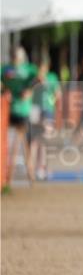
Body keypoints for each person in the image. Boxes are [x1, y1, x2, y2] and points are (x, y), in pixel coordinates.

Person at [2, 47, 37, 186]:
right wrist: (4, 91)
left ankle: (30, 175)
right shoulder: (5, 69)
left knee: (23, 145)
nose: (16, 60)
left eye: (18, 57)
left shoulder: (29, 69)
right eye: (14, 57)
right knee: (12, 145)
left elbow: (39, 78)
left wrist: (29, 90)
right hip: (8, 111)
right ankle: (9, 178)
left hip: (23, 111)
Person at [28, 60, 61, 181]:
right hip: (35, 110)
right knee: (34, 140)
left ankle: (44, 168)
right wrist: (36, 83)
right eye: (40, 69)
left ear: (47, 68)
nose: (41, 71)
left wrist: (51, 103)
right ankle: (31, 168)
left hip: (48, 111)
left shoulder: (52, 78)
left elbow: (57, 94)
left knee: (45, 140)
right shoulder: (33, 79)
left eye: (43, 69)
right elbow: (28, 93)